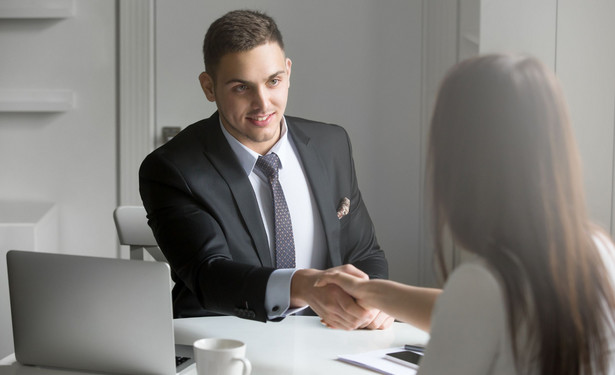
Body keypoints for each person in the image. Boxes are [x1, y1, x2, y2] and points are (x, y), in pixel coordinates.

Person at [315, 54, 615, 374]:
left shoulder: (482, 285)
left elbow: (473, 307)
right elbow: (469, 311)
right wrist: (372, 291)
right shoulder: (599, 250)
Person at [139, 9, 392, 330]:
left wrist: (373, 298)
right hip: (222, 340)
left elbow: (364, 252)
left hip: (325, 337)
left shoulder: (332, 144)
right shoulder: (172, 169)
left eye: (273, 81)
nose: (263, 104)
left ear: (287, 72)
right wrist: (302, 285)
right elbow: (209, 274)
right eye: (241, 88)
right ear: (209, 87)